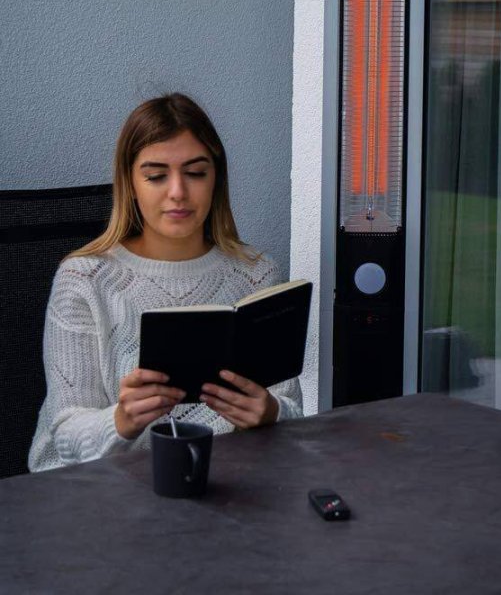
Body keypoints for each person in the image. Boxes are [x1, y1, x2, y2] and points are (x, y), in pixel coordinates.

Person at [28, 93, 302, 472]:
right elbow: (64, 433)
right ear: (130, 183)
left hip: (226, 482)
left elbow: (292, 412)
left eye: (195, 173)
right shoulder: (84, 279)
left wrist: (270, 413)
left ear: (216, 178)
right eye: (156, 176)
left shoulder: (257, 274)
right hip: (104, 489)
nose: (177, 192)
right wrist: (121, 420)